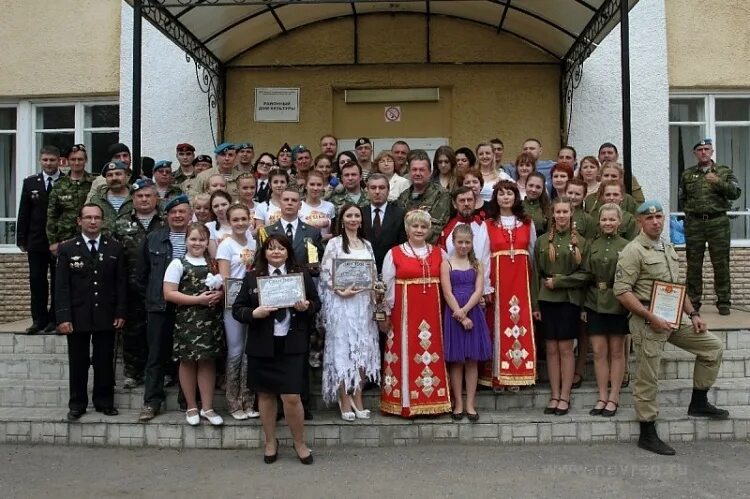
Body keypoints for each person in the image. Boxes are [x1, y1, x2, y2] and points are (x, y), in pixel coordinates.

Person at [614, 200, 728, 456]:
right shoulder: (633, 250)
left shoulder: (667, 246)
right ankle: (647, 431)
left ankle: (698, 402)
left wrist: (694, 314)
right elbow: (621, 292)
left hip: (674, 317)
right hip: (647, 321)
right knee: (648, 377)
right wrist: (650, 316)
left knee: (713, 348)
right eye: (649, 218)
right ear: (640, 221)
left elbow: (677, 285)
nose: (655, 221)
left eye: (659, 217)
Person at [232, 234, 321, 465]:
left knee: (292, 396)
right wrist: (254, 313)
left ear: (288, 252)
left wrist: (306, 306)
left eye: (281, 248)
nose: (276, 252)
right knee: (265, 394)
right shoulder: (253, 278)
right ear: (264, 253)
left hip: (292, 344)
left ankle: (299, 443)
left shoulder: (300, 275)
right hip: (263, 344)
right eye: (271, 249)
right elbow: (237, 309)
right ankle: (270, 441)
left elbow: (316, 303)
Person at [55, 203, 127, 421]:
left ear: (102, 221)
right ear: (79, 221)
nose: (93, 221)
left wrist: (121, 312)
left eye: (97, 218)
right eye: (88, 217)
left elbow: (121, 284)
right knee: (78, 361)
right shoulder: (67, 249)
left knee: (104, 360)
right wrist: (63, 317)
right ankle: (77, 404)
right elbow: (61, 286)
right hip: (78, 315)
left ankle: (104, 401)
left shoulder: (114, 247)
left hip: (106, 313)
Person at [258, 187, 323, 420]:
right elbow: (260, 264)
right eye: (285, 199)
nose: (289, 203)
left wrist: (305, 276)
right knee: (273, 352)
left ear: (300, 205)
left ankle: (302, 404)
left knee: (299, 352)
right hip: (273, 298)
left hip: (300, 299)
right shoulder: (266, 232)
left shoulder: (312, 232)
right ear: (279, 203)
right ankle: (275, 406)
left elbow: (315, 263)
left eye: (294, 200)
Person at [379, 209, 451, 418]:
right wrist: (386, 314)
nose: (419, 230)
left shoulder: (440, 253)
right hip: (403, 315)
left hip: (433, 314)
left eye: (423, 226)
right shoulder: (394, 253)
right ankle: (404, 403)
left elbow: (448, 286)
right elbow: (387, 287)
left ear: (429, 230)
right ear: (407, 228)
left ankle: (432, 400)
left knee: (433, 351)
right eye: (415, 226)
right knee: (404, 352)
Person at [320, 204, 380, 420]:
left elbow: (373, 273)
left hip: (363, 303)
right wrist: (340, 291)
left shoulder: (367, 244)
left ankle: (358, 396)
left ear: (361, 220)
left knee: (363, 348)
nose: (353, 219)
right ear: (342, 219)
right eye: (349, 215)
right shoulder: (335, 244)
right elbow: (325, 273)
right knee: (343, 349)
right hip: (342, 303)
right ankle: (344, 398)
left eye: (356, 215)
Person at [163, 222, 225, 426]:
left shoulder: (214, 264)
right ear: (186, 241)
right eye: (193, 239)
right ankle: (191, 406)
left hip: (210, 320)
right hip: (188, 320)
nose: (197, 243)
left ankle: (207, 407)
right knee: (188, 361)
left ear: (208, 242)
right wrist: (198, 300)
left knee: (207, 361)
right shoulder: (178, 263)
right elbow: (169, 293)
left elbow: (225, 284)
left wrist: (219, 294)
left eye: (201, 240)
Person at [138, 194, 192, 421]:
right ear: (166, 215)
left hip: (191, 307)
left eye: (182, 212)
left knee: (188, 355)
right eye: (173, 212)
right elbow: (141, 275)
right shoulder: (153, 238)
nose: (178, 216)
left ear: (190, 215)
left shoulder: (199, 237)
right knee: (156, 355)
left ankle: (186, 400)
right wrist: (152, 297)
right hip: (159, 307)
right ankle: (152, 401)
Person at [481, 181, 538, 390]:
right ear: (495, 198)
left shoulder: (526, 223)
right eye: (501, 194)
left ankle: (518, 373)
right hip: (498, 283)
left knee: (520, 323)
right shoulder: (487, 224)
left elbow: (532, 255)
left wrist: (533, 286)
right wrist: (485, 286)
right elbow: (483, 257)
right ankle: (497, 375)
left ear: (516, 197)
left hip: (521, 282)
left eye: (510, 194)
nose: (505, 197)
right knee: (497, 324)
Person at [534, 196, 588, 416]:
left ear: (571, 213)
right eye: (558, 212)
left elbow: (586, 274)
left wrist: (560, 282)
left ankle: (565, 395)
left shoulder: (581, 242)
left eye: (566, 212)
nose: (562, 216)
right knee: (551, 349)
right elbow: (536, 273)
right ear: (552, 214)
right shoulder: (542, 241)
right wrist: (535, 303)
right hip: (547, 300)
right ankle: (554, 394)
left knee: (566, 348)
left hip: (568, 299)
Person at [111, 179, 166, 389]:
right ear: (133, 199)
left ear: (156, 198)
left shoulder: (165, 222)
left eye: (148, 196)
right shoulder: (120, 224)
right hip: (130, 286)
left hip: (160, 287)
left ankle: (164, 371)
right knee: (132, 331)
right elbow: (114, 257)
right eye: (139, 196)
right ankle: (133, 372)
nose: (144, 199)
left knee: (159, 332)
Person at [679, 138, 741, 316]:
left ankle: (723, 301)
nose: (703, 152)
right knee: (694, 264)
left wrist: (718, 182)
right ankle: (694, 301)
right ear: (695, 154)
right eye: (700, 150)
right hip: (695, 223)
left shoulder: (724, 172)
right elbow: (682, 199)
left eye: (707, 149)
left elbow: (736, 193)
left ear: (712, 152)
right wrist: (692, 215)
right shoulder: (687, 174)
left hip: (718, 222)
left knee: (721, 263)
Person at [441, 224, 492, 421]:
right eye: (459, 242)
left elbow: (479, 290)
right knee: (457, 360)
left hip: (473, 311)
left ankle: (470, 403)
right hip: (454, 312)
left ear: (472, 243)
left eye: (467, 242)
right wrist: (460, 314)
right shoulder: (447, 263)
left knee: (472, 360)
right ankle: (458, 403)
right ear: (453, 242)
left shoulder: (477, 263)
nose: (463, 246)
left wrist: (466, 311)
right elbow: (446, 291)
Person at [583, 203, 629, 418]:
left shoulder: (627, 246)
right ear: (598, 222)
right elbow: (585, 276)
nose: (608, 223)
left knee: (617, 352)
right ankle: (602, 396)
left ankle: (615, 396)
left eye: (612, 219)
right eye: (604, 219)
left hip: (618, 301)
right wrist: (584, 306)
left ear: (619, 221)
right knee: (600, 352)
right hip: (594, 302)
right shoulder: (591, 245)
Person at [217, 204, 258, 420]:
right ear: (230, 221)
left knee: (248, 352)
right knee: (235, 351)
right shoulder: (226, 245)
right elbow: (225, 278)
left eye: (244, 219)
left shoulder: (253, 241)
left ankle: (248, 400)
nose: (240, 223)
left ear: (250, 219)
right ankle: (234, 403)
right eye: (236, 220)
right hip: (233, 303)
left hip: (252, 302)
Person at [17, 145, 62, 334]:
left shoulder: (66, 182)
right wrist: (21, 239)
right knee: (37, 282)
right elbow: (24, 212)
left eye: (52, 160)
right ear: (40, 160)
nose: (49, 163)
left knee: (58, 282)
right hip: (36, 241)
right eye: (45, 160)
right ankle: (39, 320)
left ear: (59, 161)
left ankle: (55, 319)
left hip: (60, 242)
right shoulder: (30, 183)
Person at [47, 144, 93, 259]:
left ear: (85, 160)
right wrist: (52, 241)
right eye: (73, 159)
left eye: (80, 159)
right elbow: (52, 215)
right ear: (68, 161)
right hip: (65, 239)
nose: (76, 163)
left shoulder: (94, 183)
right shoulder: (59, 185)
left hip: (89, 237)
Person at [397, 150, 451, 244]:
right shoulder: (403, 197)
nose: (417, 173)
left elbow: (434, 229)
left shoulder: (441, 195)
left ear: (430, 172)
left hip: (429, 250)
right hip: (406, 250)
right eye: (414, 169)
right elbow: (398, 227)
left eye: (422, 170)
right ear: (409, 172)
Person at [362, 173, 407, 273]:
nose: (377, 191)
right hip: (364, 270)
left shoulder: (400, 214)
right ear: (367, 191)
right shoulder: (359, 214)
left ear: (388, 190)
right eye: (373, 188)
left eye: (381, 188)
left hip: (392, 268)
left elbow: (403, 245)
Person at [89, 160, 133, 233]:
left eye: (118, 174)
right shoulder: (96, 200)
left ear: (126, 176)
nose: (114, 178)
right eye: (110, 175)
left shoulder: (137, 197)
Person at [300, 171, 336, 243]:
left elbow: (333, 232)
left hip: (325, 249)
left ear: (323, 186)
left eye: (319, 185)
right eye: (312, 184)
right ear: (306, 186)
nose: (315, 188)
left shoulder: (330, 206)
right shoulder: (298, 207)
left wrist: (330, 236)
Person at [205, 190, 233, 258]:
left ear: (230, 204)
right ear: (212, 209)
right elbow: (214, 256)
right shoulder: (209, 227)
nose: (220, 208)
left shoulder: (240, 223)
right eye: (216, 206)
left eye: (224, 204)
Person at [522, 172, 550, 238]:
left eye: (538, 187)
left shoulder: (548, 209)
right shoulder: (516, 206)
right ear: (525, 185)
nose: (533, 190)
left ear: (543, 189)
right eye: (531, 185)